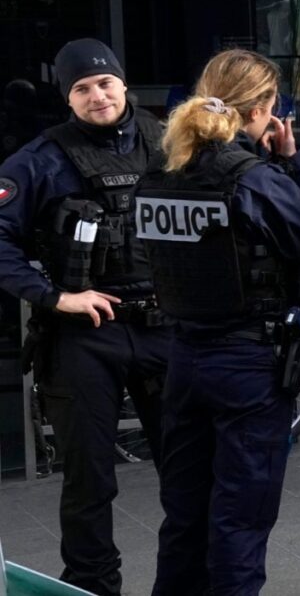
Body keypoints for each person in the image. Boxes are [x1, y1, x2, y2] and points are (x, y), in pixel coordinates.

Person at [137, 49, 300, 596]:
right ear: (264, 108)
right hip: (247, 364)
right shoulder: (252, 177)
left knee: (184, 518)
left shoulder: (162, 170)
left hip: (182, 358)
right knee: (239, 524)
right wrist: (291, 163)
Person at [0, 38, 170, 595]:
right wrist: (54, 297)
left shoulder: (170, 141)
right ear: (67, 98)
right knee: (89, 482)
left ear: (124, 84)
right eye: (81, 88)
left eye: (105, 83)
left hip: (166, 330)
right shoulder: (38, 160)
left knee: (193, 471)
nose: (97, 96)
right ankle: (94, 589)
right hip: (84, 336)